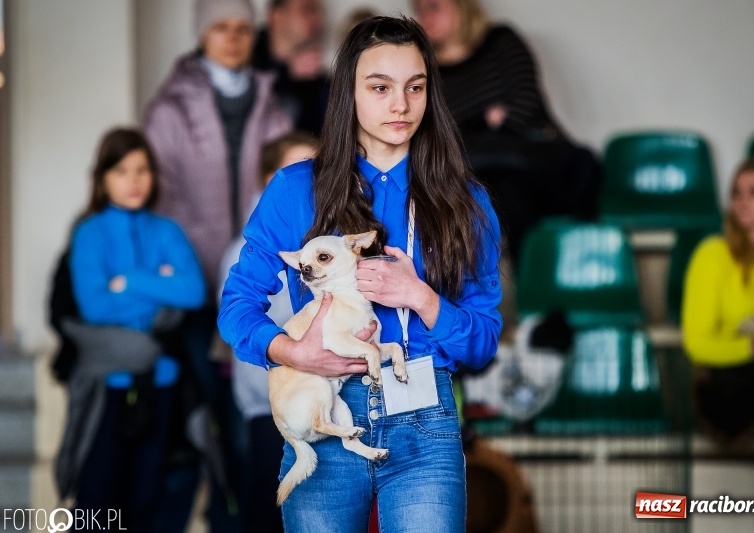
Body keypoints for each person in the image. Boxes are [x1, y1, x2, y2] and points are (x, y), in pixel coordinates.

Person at [218, 16, 502, 532]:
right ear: (348, 93)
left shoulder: (467, 201)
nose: (401, 105)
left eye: (415, 87)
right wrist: (290, 351)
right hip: (324, 409)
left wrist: (422, 298)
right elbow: (236, 305)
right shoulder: (295, 189)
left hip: (426, 417)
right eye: (380, 87)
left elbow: (482, 344)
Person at [143, 0, 292, 529]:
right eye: (220, 28)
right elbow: (160, 200)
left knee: (249, 418)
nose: (232, 38)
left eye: (242, 29)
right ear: (202, 35)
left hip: (256, 284)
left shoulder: (271, 105)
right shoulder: (169, 108)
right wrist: (189, 272)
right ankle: (223, 518)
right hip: (195, 292)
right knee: (209, 418)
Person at [55, 128, 206, 532]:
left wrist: (128, 281)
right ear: (102, 178)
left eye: (142, 170)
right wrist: (161, 284)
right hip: (106, 387)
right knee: (95, 502)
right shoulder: (89, 232)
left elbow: (193, 292)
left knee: (146, 499)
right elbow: (95, 306)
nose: (134, 180)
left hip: (162, 384)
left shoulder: (167, 231)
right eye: (121, 171)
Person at [411, 0, 601, 262]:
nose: (425, 18)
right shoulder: (426, 71)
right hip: (488, 175)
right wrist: (486, 120)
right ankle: (536, 282)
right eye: (419, 10)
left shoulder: (500, 41)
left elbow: (527, 105)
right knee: (501, 189)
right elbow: (443, 133)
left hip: (540, 165)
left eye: (433, 7)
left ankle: (538, 280)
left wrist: (473, 129)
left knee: (509, 185)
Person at [682, 157, 754, 530]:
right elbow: (697, 344)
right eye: (736, 193)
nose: (742, 202)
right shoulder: (713, 255)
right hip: (729, 391)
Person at [218, 131, 318, 533]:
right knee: (269, 505)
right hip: (269, 404)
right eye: (295, 168)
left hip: (317, 400)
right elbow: (241, 323)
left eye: (315, 168)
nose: (305, 178)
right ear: (269, 179)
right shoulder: (248, 249)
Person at [252, 0, 329, 135]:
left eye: (317, 12)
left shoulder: (319, 80)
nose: (316, 19)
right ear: (276, 16)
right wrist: (287, 73)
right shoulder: (243, 57)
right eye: (306, 10)